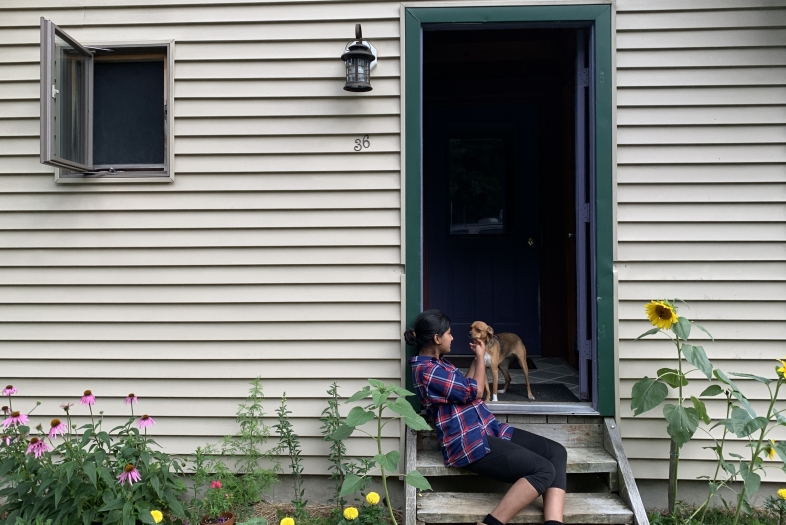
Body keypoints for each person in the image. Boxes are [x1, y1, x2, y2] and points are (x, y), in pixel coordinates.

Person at [406, 309, 567, 525]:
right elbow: (477, 391)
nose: (452, 338)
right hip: (468, 441)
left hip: (486, 429)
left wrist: (476, 359)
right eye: (449, 333)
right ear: (437, 338)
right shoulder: (427, 371)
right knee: (543, 470)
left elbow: (466, 386)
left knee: (556, 451)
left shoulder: (440, 364)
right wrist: (482, 358)